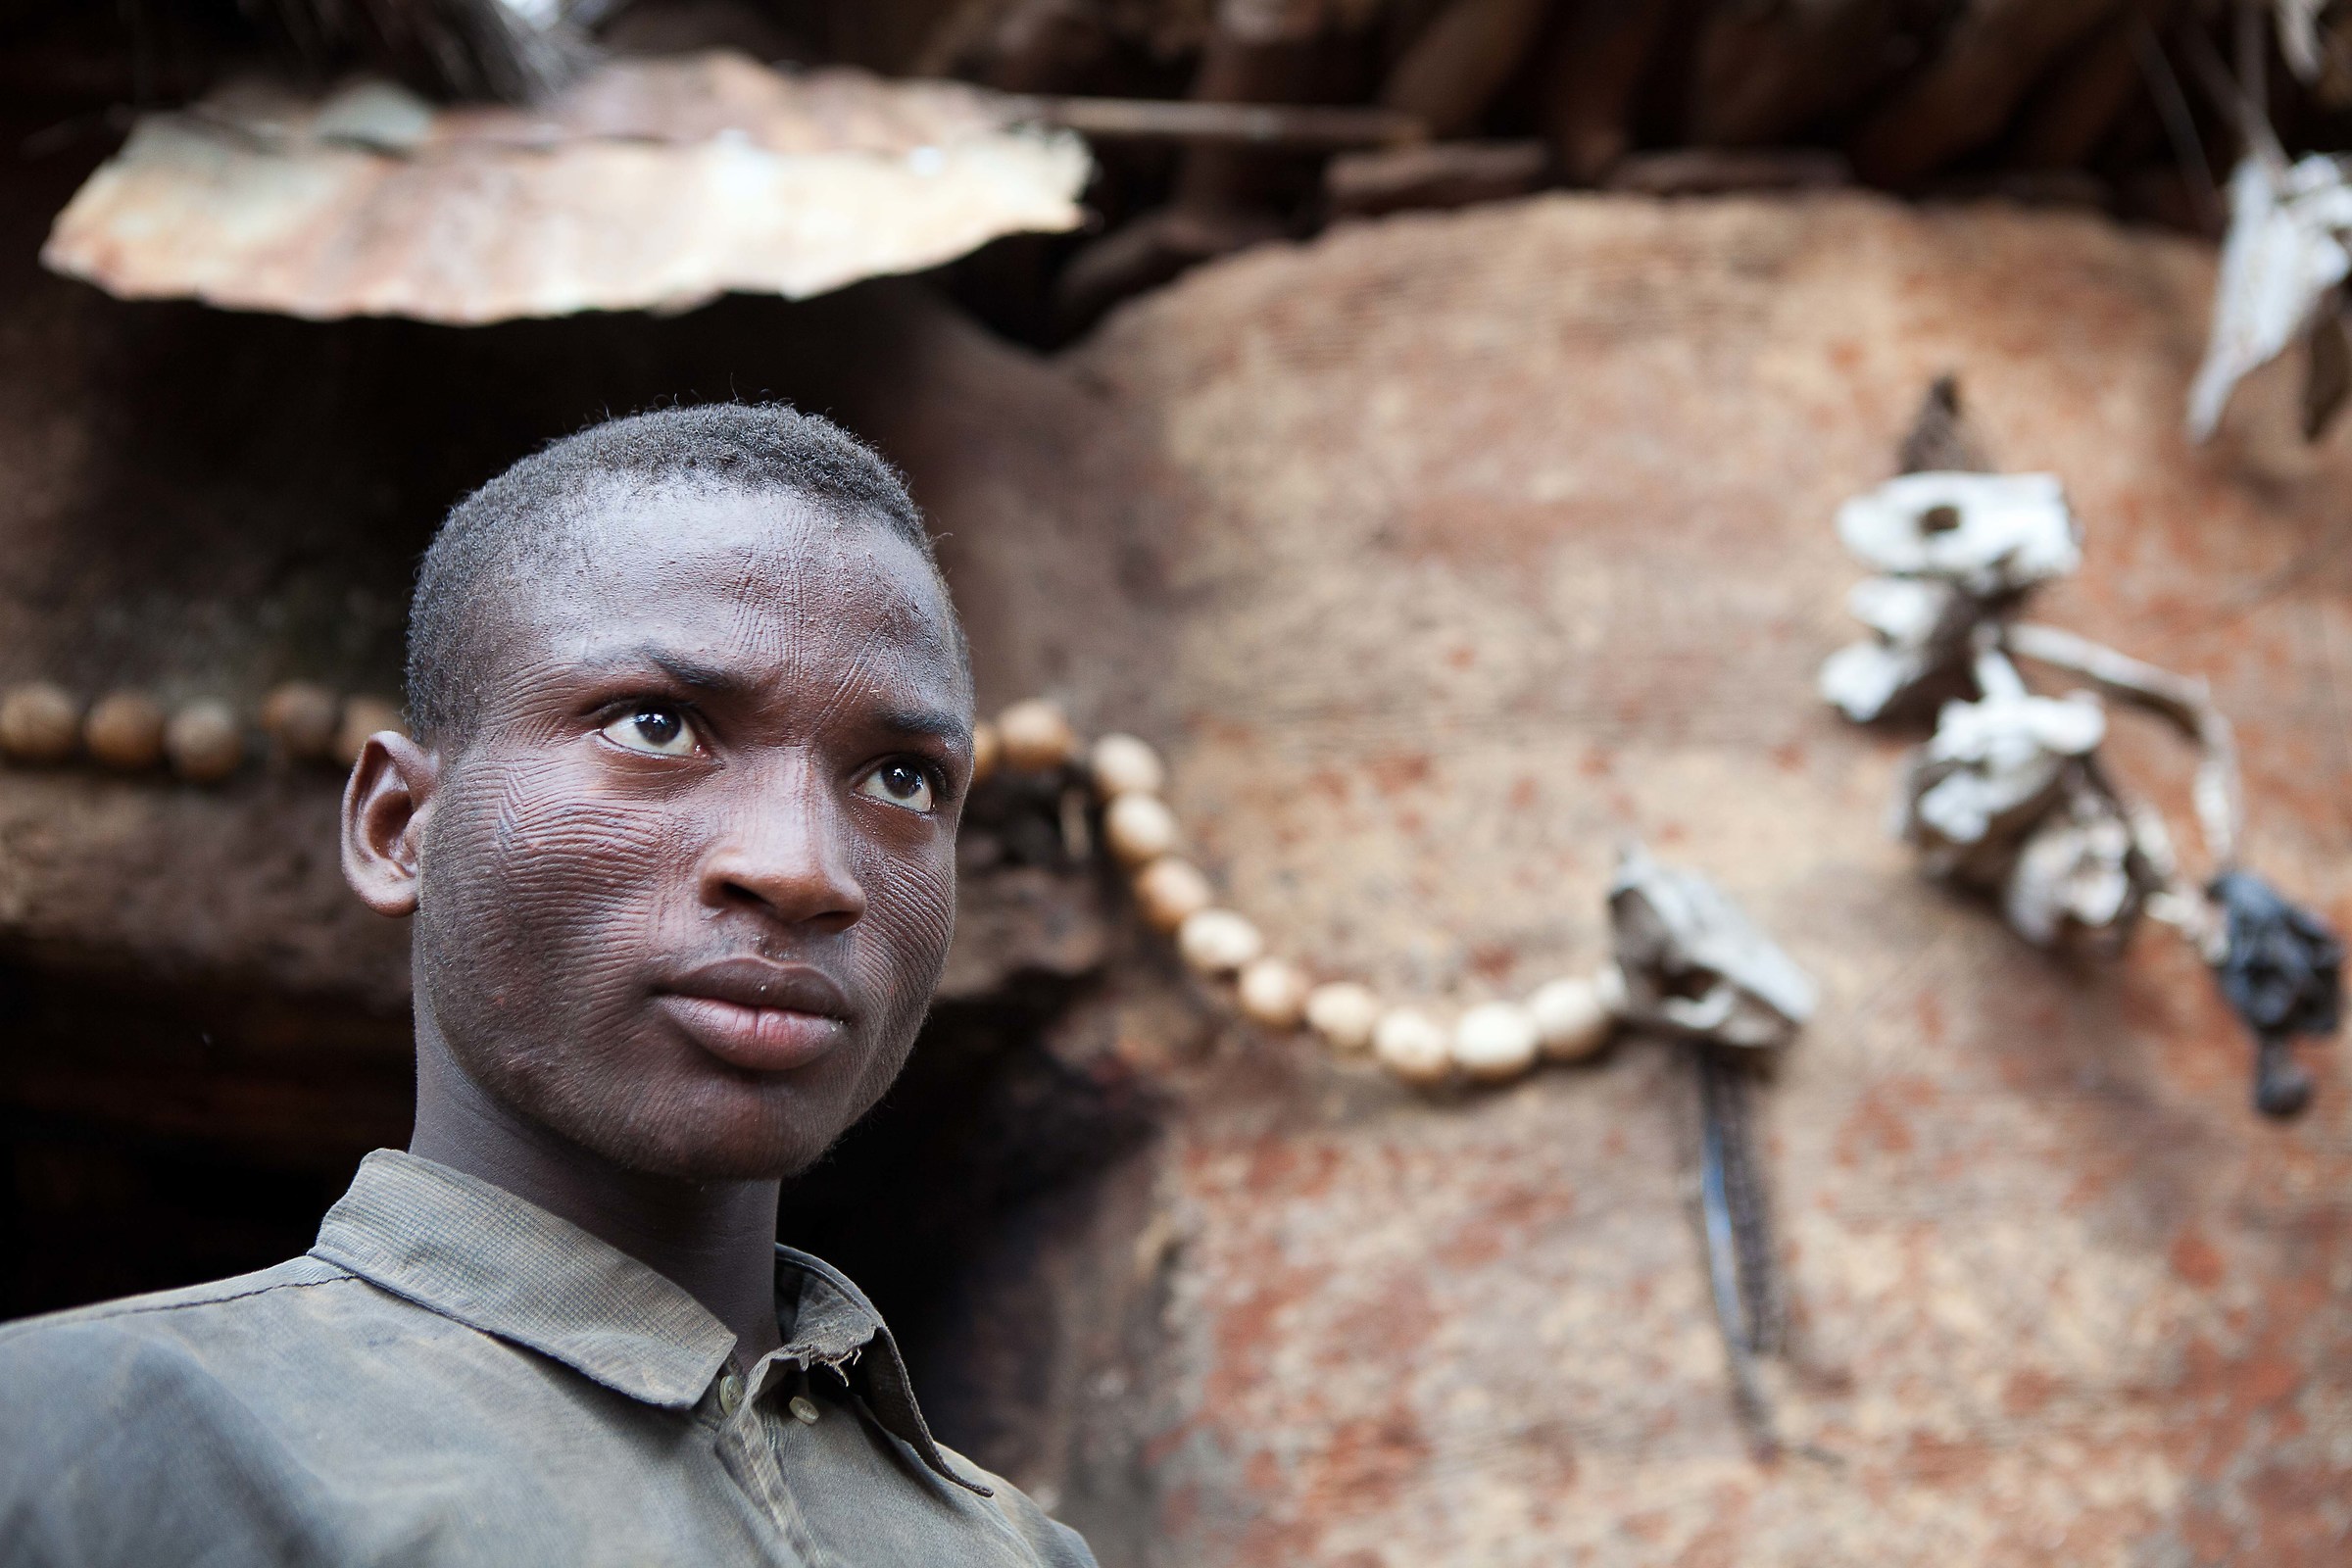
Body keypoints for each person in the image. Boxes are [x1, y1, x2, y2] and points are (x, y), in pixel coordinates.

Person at [0, 405, 1097, 1567]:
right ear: (396, 826)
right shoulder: (76, 1446)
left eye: (903, 778)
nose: (802, 869)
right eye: (658, 725)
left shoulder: (1018, 1552)